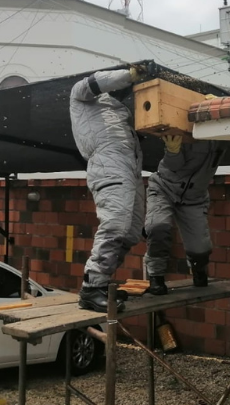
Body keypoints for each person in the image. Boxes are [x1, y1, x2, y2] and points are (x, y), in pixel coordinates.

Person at [70, 65, 146, 312]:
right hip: (108, 162)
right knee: (115, 224)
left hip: (130, 166)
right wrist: (129, 74)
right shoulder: (80, 94)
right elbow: (94, 82)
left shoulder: (116, 109)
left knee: (132, 230)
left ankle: (102, 283)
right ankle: (92, 289)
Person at [143, 131, 226, 295]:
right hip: (164, 188)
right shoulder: (185, 127)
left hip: (194, 197)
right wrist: (172, 151)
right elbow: (173, 166)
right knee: (158, 227)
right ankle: (156, 276)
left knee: (200, 248)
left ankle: (198, 269)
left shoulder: (223, 132)